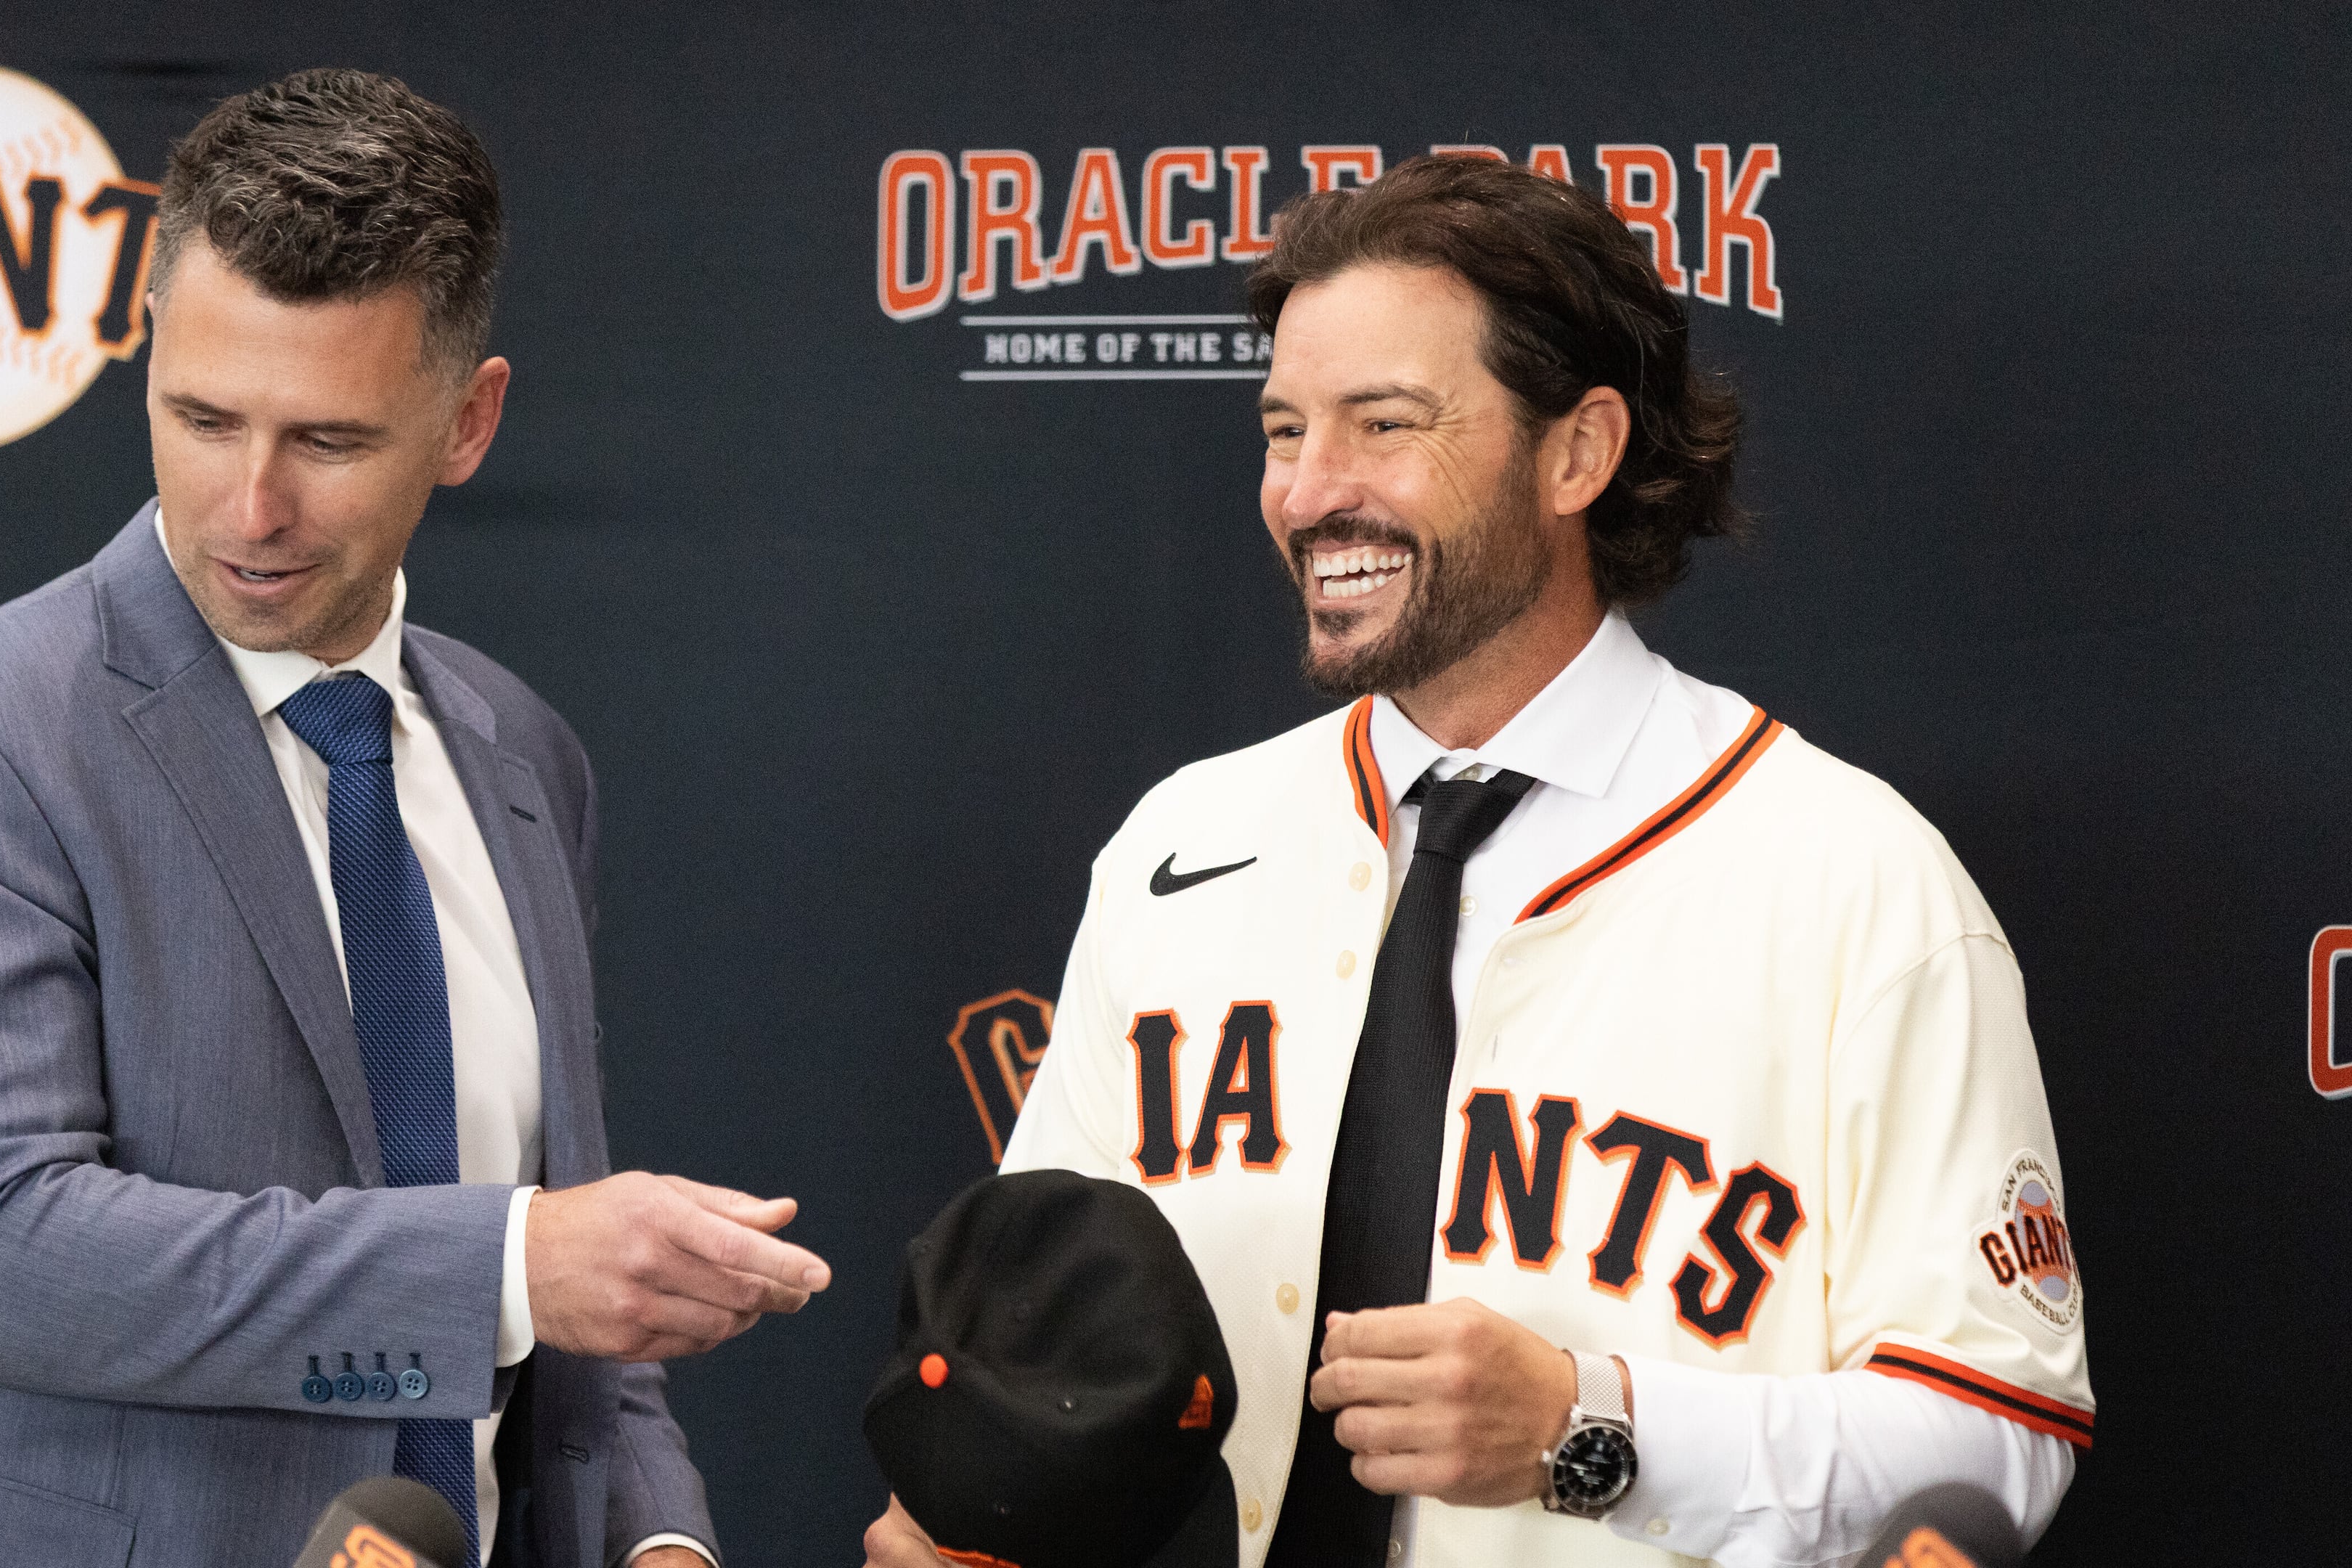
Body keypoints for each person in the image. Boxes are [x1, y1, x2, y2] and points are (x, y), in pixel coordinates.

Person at [866, 154, 2090, 1568]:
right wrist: (981, 1521)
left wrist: (1596, 1429)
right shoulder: (1181, 848)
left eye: (1382, 424)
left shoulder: (1852, 882)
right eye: (1282, 429)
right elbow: (1042, 1336)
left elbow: (2003, 1432)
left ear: (1578, 451)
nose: (1309, 491)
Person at [0, 69, 826, 1568]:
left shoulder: (520, 753)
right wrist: (513, 1268)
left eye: (329, 442)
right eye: (202, 418)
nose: (248, 508)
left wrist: (654, 1536)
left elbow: (566, 1269)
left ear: (468, 423)